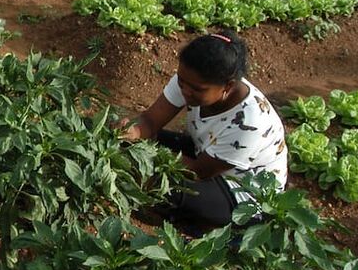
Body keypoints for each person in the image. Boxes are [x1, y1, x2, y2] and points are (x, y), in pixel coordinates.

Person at [123, 30, 288, 228]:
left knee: (163, 187)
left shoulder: (250, 122)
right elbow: (150, 120)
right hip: (205, 153)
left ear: (227, 86)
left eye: (197, 89)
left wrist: (141, 156)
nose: (185, 91)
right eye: (181, 82)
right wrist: (134, 132)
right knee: (129, 145)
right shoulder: (190, 80)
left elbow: (198, 171)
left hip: (241, 193)